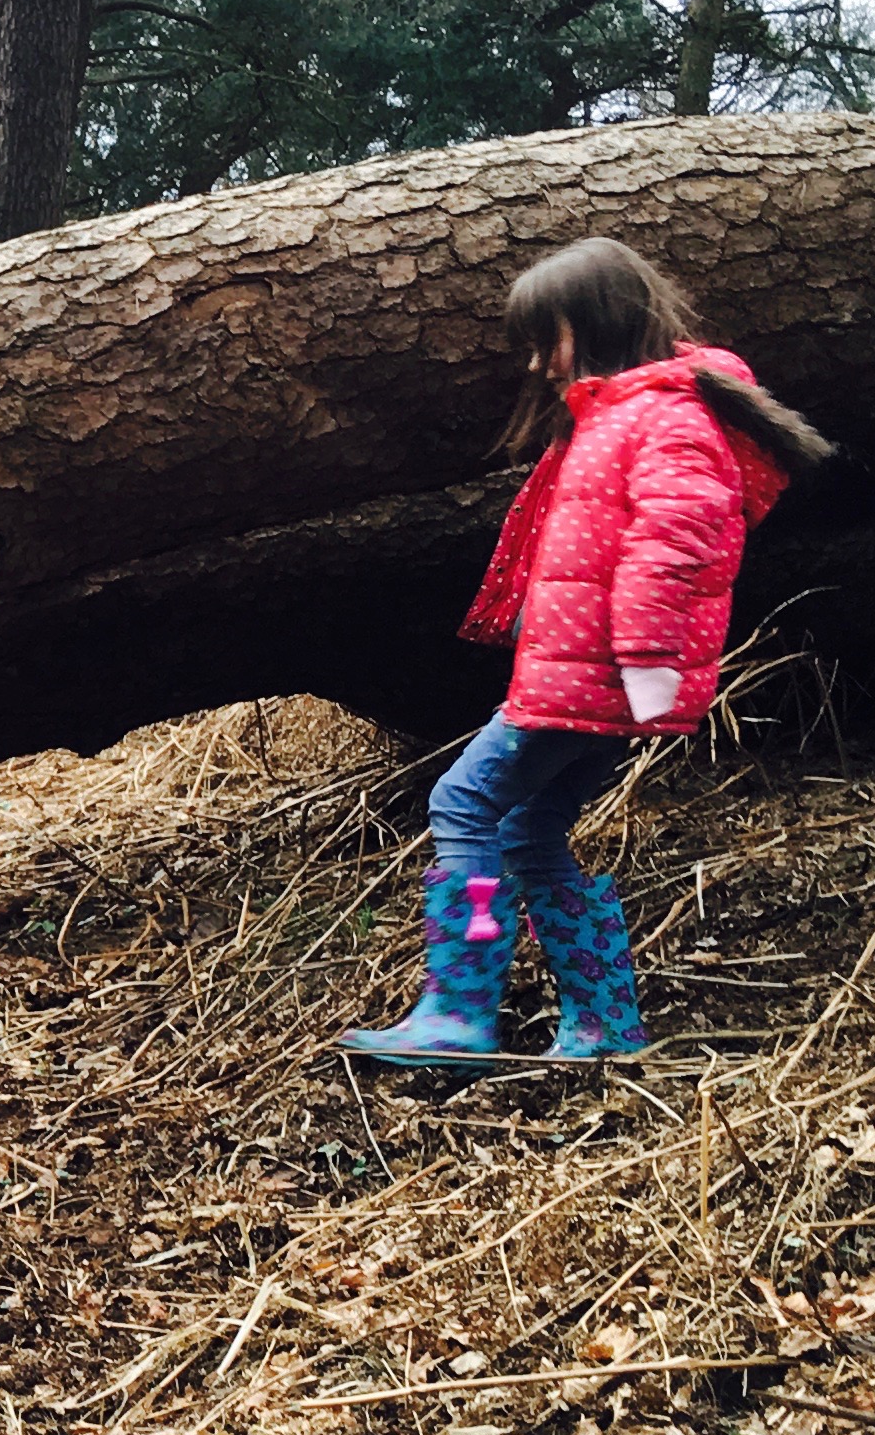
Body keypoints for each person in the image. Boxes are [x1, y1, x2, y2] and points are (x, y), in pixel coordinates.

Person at [341, 236, 829, 1069]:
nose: (538, 364)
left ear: (597, 323)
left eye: (548, 338)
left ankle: (458, 1010)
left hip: (602, 676)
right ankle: (604, 1026)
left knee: (463, 805)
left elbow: (680, 538)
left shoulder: (663, 415)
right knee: (531, 830)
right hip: (594, 676)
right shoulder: (626, 414)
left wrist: (643, 661)